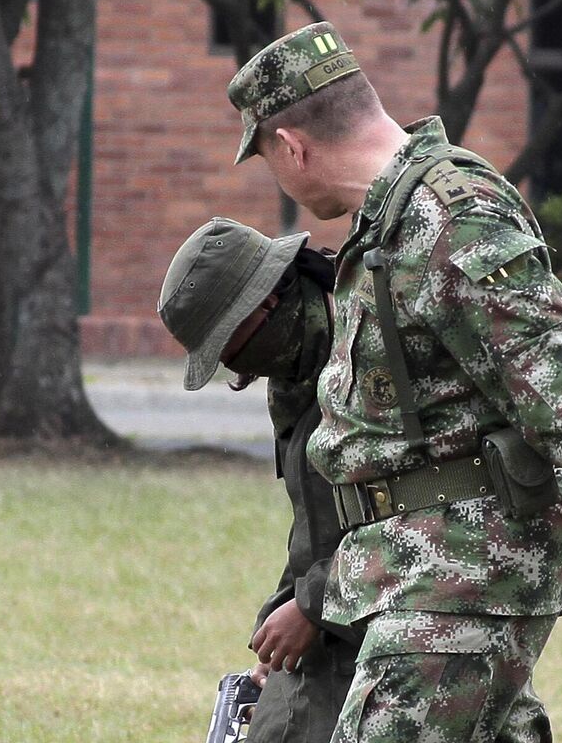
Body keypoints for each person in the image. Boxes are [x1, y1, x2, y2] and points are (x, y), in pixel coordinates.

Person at [225, 22, 562, 742]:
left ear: (292, 147)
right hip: (426, 568)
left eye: (268, 159)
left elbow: (548, 369)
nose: (280, 178)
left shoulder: (446, 217)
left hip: (466, 573)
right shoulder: (388, 226)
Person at [158, 217, 362, 743]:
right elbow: (322, 527)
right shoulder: (299, 378)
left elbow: (426, 514)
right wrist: (282, 619)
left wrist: (312, 604)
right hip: (344, 619)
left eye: (229, 343)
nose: (232, 365)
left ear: (269, 302)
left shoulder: (369, 364)